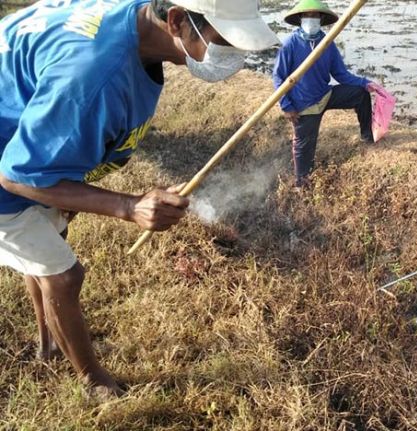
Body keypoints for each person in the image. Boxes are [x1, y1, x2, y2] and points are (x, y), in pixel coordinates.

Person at [0, 0, 278, 396]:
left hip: (28, 135)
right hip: (13, 166)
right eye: (224, 40)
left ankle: (48, 344)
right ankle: (93, 380)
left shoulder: (131, 19)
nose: (231, 56)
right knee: (64, 276)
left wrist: (67, 186)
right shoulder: (92, 77)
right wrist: (128, 206)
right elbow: (17, 175)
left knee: (48, 246)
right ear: (177, 20)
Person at [272, 0, 379, 187]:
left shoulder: (326, 43)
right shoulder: (290, 44)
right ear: (300, 18)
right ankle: (301, 182)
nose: (311, 20)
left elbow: (340, 74)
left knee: (360, 95)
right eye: (308, 16)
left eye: (315, 16)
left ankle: (366, 137)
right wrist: (286, 105)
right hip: (304, 103)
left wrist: (365, 83)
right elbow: (279, 77)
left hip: (325, 94)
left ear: (321, 19)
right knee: (304, 146)